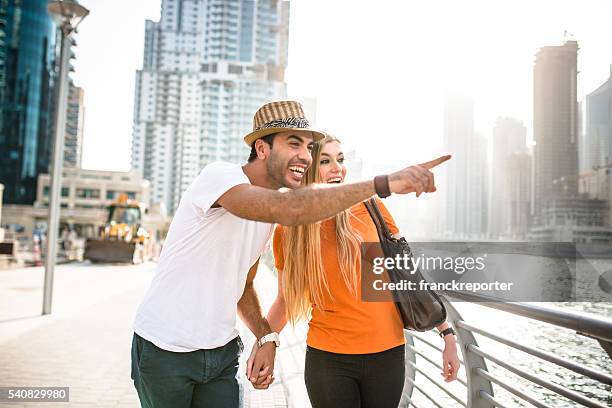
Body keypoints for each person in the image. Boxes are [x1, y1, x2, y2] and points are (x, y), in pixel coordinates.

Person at [131, 100, 450, 408]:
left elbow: (245, 285)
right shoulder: (222, 177)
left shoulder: (270, 219)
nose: (305, 156)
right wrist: (386, 182)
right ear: (262, 148)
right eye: (294, 144)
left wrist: (266, 338)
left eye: (309, 148)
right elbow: (293, 210)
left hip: (222, 351)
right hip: (166, 349)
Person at [258, 134, 460, 408]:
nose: (337, 168)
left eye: (340, 160)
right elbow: (285, 300)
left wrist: (447, 334)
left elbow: (407, 276)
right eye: (325, 160)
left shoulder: (371, 208)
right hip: (328, 360)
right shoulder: (288, 231)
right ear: (307, 169)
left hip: (387, 355)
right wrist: (265, 343)